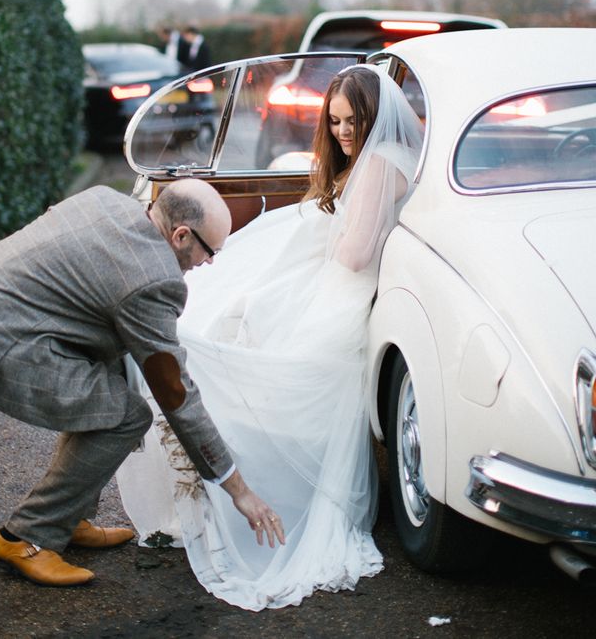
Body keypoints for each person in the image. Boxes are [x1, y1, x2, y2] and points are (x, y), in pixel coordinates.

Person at [117, 64, 424, 610]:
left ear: (376, 117)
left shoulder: (380, 162)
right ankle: (227, 469)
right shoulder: (382, 158)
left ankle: (254, 486)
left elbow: (354, 255)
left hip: (346, 287)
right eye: (335, 122)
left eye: (353, 120)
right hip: (342, 280)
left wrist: (323, 235)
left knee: (241, 332)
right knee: (236, 308)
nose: (344, 132)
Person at [0, 180, 285, 588]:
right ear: (181, 235)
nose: (210, 262)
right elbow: (176, 393)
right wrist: (238, 489)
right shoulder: (153, 280)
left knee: (103, 387)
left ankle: (67, 517)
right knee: (125, 416)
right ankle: (26, 538)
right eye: (210, 251)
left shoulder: (106, 200)